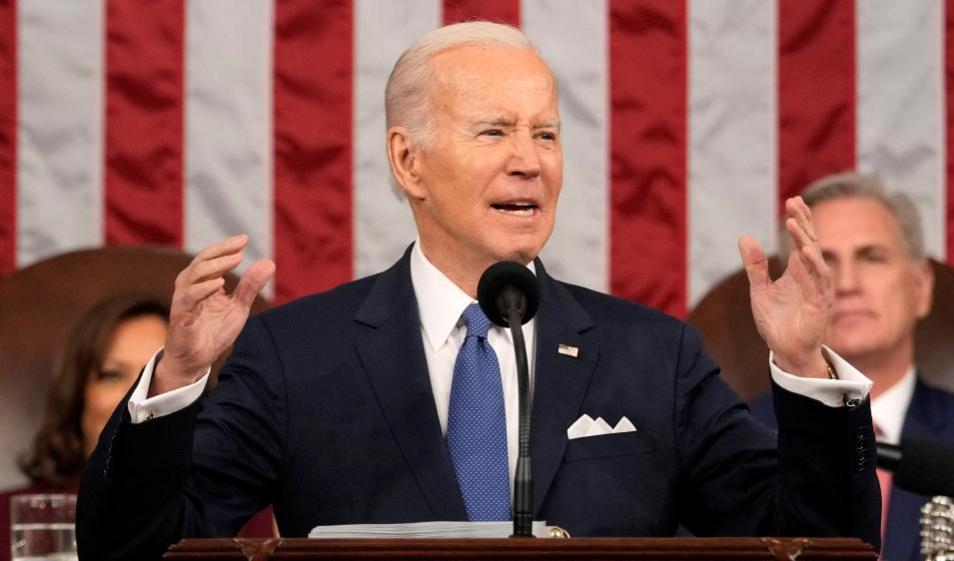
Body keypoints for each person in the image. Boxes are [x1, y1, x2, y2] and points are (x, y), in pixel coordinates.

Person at [77, 22, 880, 561]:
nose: (528, 159)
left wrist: (802, 362)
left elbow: (811, 547)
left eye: (546, 133)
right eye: (493, 131)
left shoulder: (651, 353)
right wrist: (177, 375)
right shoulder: (297, 355)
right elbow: (139, 552)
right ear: (408, 162)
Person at [750, 172, 954, 561]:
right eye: (824, 260)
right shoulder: (738, 441)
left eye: (872, 257)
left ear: (920, 287)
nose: (847, 283)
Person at [0, 296, 169, 561]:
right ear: (78, 396)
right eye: (112, 375)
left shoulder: (245, 519)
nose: (135, 396)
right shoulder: (7, 520)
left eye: (157, 376)